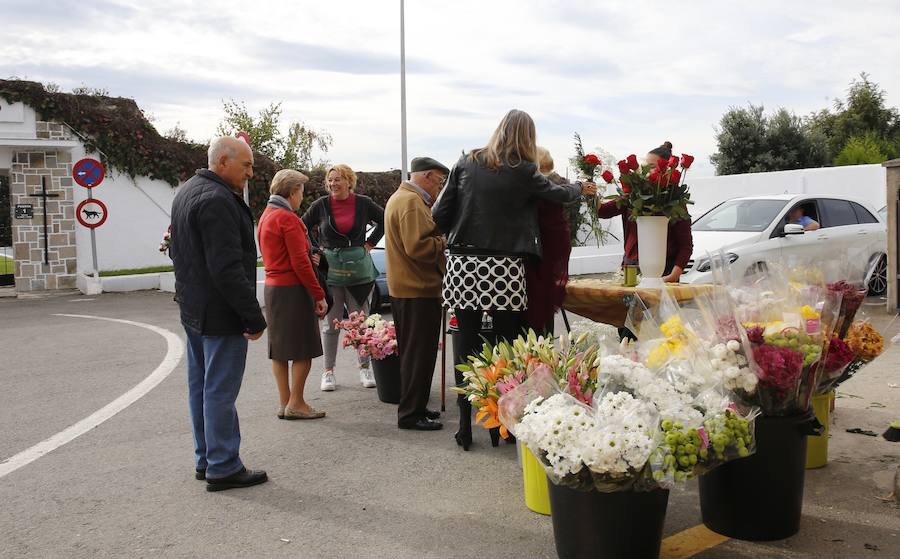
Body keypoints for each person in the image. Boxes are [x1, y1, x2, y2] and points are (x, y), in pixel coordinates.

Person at [432, 109, 596, 450]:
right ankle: (501, 425)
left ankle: (465, 423)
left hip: (463, 265)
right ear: (528, 138)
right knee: (505, 346)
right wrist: (582, 185)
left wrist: (461, 239)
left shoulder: (467, 161)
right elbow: (560, 194)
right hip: (505, 267)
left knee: (466, 342)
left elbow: (438, 214)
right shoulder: (522, 170)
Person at [169, 136, 268, 492]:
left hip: (194, 310)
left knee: (201, 389)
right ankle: (223, 465)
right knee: (219, 393)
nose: (250, 173)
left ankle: (206, 459)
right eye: (246, 165)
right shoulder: (218, 200)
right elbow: (227, 268)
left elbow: (179, 252)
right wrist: (253, 316)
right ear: (223, 162)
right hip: (220, 315)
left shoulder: (187, 192)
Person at [302, 164, 385, 392]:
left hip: (360, 270)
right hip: (331, 270)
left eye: (338, 179)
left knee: (361, 321)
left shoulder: (364, 203)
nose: (333, 184)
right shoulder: (321, 205)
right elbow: (303, 226)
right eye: (330, 181)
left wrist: (370, 243)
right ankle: (328, 372)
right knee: (331, 324)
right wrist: (315, 249)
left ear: (349, 181)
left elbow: (385, 219)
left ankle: (365, 367)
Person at [258, 169, 329, 421]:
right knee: (302, 350)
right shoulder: (288, 219)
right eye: (301, 191)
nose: (302, 197)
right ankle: (297, 403)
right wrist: (318, 294)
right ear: (292, 192)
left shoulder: (266, 216)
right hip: (292, 290)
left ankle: (285, 401)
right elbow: (301, 263)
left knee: (279, 350)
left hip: (273, 288)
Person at [384, 156, 449, 431]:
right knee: (418, 355)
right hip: (416, 289)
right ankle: (411, 414)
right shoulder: (411, 202)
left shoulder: (405, 198)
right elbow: (417, 247)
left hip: (410, 288)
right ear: (427, 176)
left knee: (416, 353)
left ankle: (416, 406)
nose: (440, 187)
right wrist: (446, 241)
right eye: (439, 181)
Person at [596, 141, 693, 284]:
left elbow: (685, 245)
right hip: (631, 269)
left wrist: (672, 276)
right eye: (645, 167)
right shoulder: (632, 196)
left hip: (664, 272)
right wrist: (591, 192)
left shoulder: (675, 201)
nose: (647, 171)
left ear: (667, 169)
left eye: (652, 167)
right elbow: (602, 212)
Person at [523, 147, 573, 335]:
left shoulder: (538, 187)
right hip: (552, 255)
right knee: (544, 307)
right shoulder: (559, 187)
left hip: (535, 256)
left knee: (533, 309)